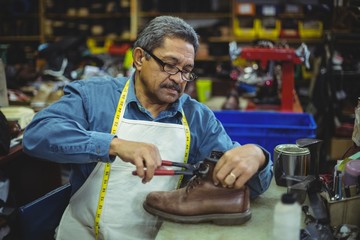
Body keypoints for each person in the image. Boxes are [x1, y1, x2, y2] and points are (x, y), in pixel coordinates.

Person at [22, 16, 273, 239]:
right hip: (84, 233)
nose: (178, 78)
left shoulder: (198, 119)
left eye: (187, 71)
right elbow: (37, 135)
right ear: (140, 58)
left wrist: (257, 157)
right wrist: (113, 144)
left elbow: (250, 189)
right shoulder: (94, 97)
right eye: (169, 65)